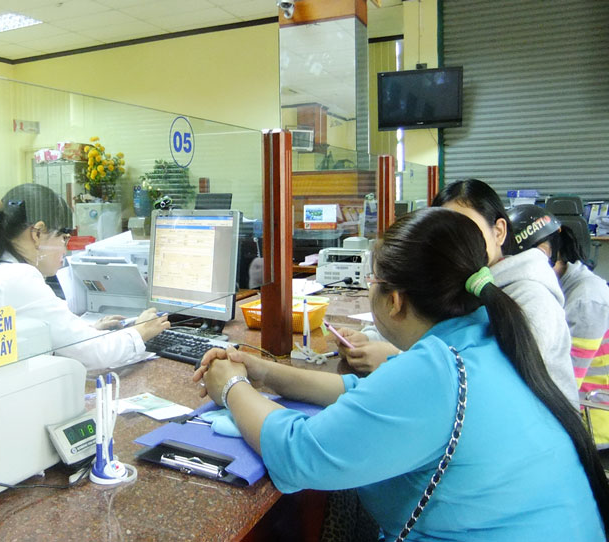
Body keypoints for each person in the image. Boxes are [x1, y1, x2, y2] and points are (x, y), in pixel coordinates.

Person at [195, 208, 607, 541]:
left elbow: (299, 451)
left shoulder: (437, 373)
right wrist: (266, 372)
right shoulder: (486, 335)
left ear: (393, 300)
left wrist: (231, 386)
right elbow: (365, 391)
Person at [337, 179, 579, 409]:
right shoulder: (459, 282)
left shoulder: (532, 296)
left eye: (468, 227)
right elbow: (427, 325)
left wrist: (396, 357)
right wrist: (370, 338)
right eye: (442, 233)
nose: (455, 241)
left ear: (499, 231)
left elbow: (497, 381)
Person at [0, 183, 169, 369]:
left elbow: (41, 332)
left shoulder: (1, 272)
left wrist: (86, 329)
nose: (65, 249)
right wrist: (140, 332)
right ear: (37, 233)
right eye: (64, 237)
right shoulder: (18, 278)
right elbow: (94, 354)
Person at [508, 204, 609, 447]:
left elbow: (564, 381)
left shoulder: (587, 300)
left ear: (543, 253)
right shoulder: (557, 288)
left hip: (593, 422)